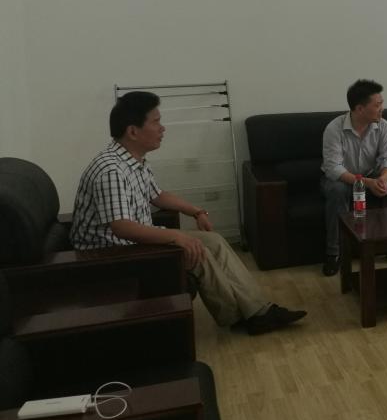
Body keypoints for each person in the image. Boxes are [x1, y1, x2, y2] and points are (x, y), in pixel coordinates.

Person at [71, 92, 306, 335]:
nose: (163, 128)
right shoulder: (111, 171)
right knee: (197, 249)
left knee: (214, 241)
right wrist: (177, 237)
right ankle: (239, 315)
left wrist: (196, 211)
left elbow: (157, 195)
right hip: (111, 257)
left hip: (133, 243)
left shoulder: (134, 160)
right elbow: (122, 227)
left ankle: (258, 310)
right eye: (156, 122)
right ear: (133, 131)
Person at [320, 79, 387, 276]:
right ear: (360, 109)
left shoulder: (383, 126)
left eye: (382, 103)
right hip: (342, 179)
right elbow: (333, 168)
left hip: (371, 175)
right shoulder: (334, 128)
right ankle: (334, 253)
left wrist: (382, 179)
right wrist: (367, 183)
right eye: (377, 105)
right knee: (337, 190)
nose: (382, 108)